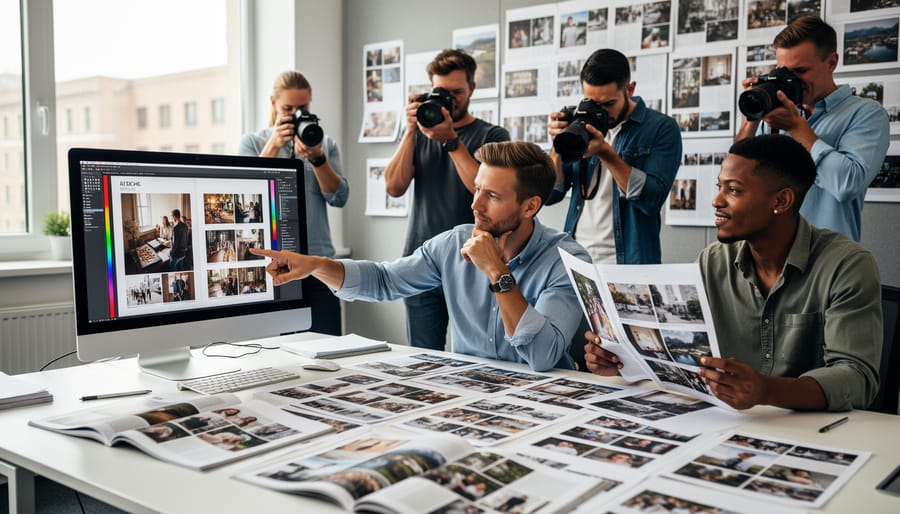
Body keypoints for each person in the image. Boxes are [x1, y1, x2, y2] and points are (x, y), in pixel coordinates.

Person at [582, 135, 883, 411]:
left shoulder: (847, 265)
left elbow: (856, 378)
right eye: (720, 187)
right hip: (726, 424)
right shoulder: (711, 262)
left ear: (781, 201)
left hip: (818, 432)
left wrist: (766, 390)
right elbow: (684, 357)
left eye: (734, 190)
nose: (716, 201)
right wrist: (620, 361)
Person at [251, 141, 590, 371]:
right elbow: (384, 280)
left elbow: (543, 356)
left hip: (544, 398)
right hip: (470, 392)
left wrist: (498, 273)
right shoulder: (451, 243)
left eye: (492, 196)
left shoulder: (566, 260)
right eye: (476, 190)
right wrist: (315, 266)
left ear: (530, 206)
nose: (475, 205)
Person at [384, 49, 510, 351]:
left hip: (474, 264)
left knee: (477, 357)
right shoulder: (419, 134)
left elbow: (485, 190)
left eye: (458, 92)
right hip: (421, 261)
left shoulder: (491, 134)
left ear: (472, 89)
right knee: (422, 358)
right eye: (443, 92)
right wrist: (412, 130)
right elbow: (393, 187)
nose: (451, 99)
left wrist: (451, 140)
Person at [735, 16, 889, 241]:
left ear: (832, 62)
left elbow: (847, 184)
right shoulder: (776, 117)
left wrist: (797, 129)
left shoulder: (866, 113)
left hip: (828, 261)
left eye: (800, 71)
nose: (791, 80)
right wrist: (752, 115)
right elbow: (736, 177)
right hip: (769, 259)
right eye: (783, 71)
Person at [239, 70, 349, 336]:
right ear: (273, 105)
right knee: (276, 351)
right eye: (288, 108)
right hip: (274, 265)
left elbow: (339, 197)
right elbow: (245, 192)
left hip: (317, 262)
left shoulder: (324, 143)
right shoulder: (253, 143)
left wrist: (317, 158)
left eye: (303, 108)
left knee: (328, 346)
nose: (295, 114)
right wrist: (274, 146)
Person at [547, 48, 681, 265]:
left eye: (608, 104)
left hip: (629, 263)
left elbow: (652, 200)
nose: (600, 111)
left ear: (630, 89)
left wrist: (605, 153)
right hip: (577, 259)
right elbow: (551, 194)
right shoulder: (579, 124)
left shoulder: (660, 128)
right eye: (592, 102)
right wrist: (557, 146)